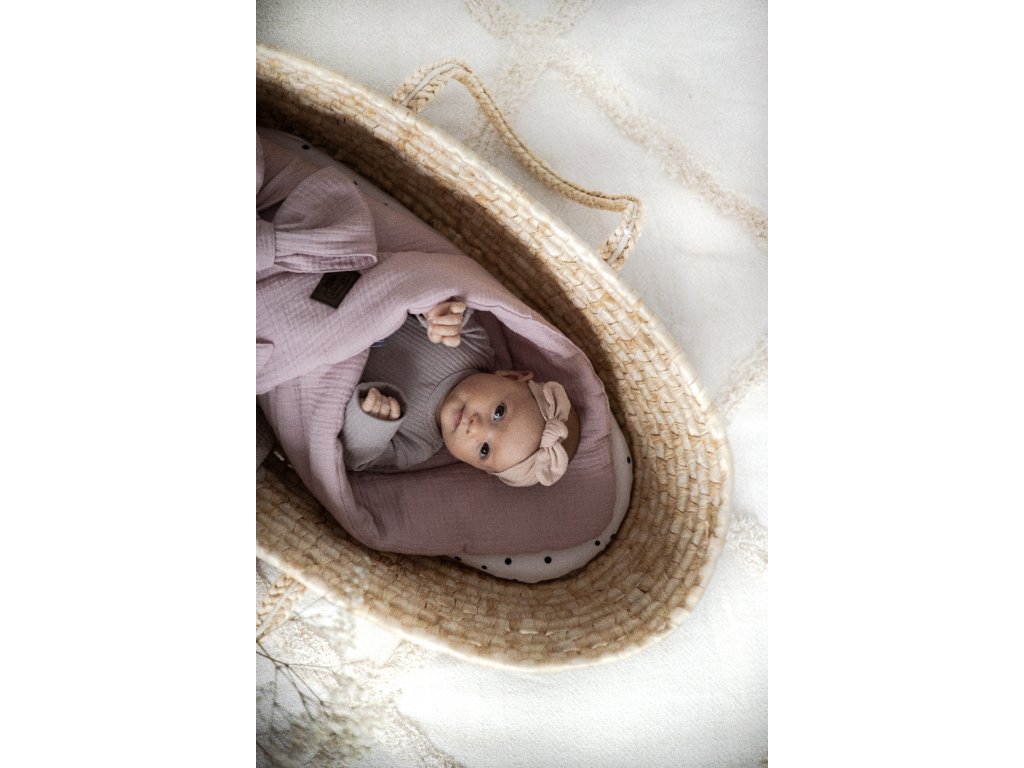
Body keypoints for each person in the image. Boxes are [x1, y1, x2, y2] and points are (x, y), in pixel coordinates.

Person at [342, 299, 581, 487]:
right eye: (499, 413)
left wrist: (371, 423)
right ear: (512, 376)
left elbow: (355, 457)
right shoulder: (472, 345)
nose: (475, 428)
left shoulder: (416, 445)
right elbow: (434, 297)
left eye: (484, 450)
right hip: (354, 305)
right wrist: (437, 312)